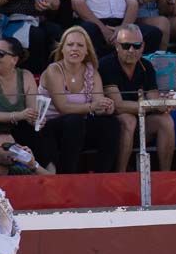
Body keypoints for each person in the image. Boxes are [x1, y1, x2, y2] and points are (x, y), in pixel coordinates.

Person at [37, 26, 121, 173]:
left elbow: (98, 104)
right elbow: (62, 107)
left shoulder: (91, 71)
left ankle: (102, 175)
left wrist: (107, 106)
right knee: (74, 120)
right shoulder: (53, 70)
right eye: (70, 45)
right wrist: (93, 106)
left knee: (111, 124)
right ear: (62, 49)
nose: (74, 49)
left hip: (79, 126)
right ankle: (69, 175)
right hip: (50, 128)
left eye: (80, 45)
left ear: (86, 51)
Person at [99, 23, 174, 172]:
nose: (132, 50)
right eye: (126, 46)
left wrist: (164, 103)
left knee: (165, 120)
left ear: (143, 46)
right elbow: (118, 106)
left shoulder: (147, 66)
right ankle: (121, 175)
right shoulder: (107, 65)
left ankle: (166, 175)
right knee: (128, 119)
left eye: (136, 45)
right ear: (117, 46)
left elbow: (153, 100)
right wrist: (154, 105)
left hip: (140, 122)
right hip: (111, 124)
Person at [0, 39, 40, 158]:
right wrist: (19, 115)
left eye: (0, 54)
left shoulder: (26, 75)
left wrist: (35, 119)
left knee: (41, 130)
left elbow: (31, 111)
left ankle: (46, 171)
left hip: (20, 128)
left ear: (14, 59)